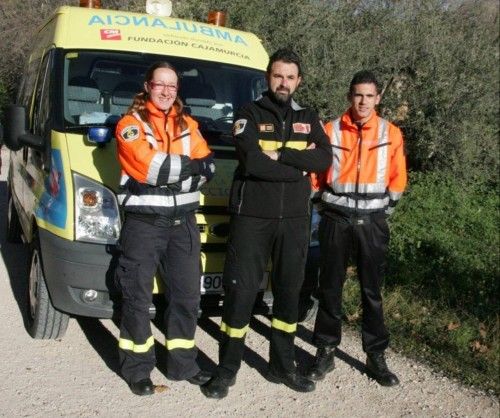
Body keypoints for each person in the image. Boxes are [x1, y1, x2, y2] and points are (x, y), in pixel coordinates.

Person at [201, 48, 332, 399]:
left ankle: (282, 366)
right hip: (252, 219)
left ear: (299, 81)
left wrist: (284, 154)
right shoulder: (248, 112)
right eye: (278, 76)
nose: (284, 82)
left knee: (289, 293)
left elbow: (323, 158)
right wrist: (296, 169)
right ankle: (226, 370)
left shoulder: (309, 115)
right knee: (241, 293)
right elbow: (254, 163)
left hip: (294, 221)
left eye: (290, 77)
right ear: (267, 77)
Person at [114, 61, 216, 396]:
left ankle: (182, 365)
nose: (166, 91)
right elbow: (149, 167)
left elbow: (210, 166)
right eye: (160, 85)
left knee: (187, 296)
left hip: (184, 224)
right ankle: (137, 370)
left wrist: (178, 169)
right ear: (147, 86)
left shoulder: (188, 124)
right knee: (136, 299)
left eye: (172, 86)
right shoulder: (130, 125)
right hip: (144, 225)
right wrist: (189, 168)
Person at [306, 70, 407, 386]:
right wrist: (323, 207)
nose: (363, 101)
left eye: (369, 96)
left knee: (371, 291)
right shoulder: (330, 130)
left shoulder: (391, 133)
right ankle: (325, 350)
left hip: (372, 224)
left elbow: (398, 177)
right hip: (336, 220)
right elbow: (314, 176)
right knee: (330, 288)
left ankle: (375, 356)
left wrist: (382, 211)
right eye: (357, 95)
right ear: (350, 96)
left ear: (377, 99)